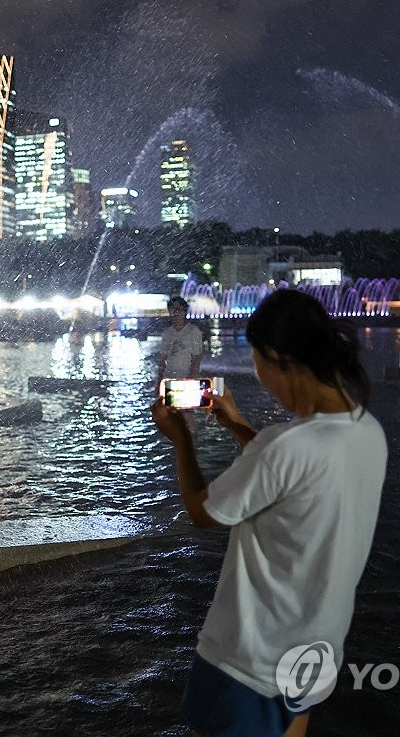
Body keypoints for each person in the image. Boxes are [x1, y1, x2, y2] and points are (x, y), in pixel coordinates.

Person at [151, 289, 387, 737]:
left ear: (277, 357)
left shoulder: (284, 445)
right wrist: (239, 425)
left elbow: (204, 512)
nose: (259, 375)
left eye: (259, 362)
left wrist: (182, 439)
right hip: (312, 658)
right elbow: (293, 477)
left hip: (247, 665)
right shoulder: (366, 430)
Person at [158, 295, 204, 382]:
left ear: (184, 311)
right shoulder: (167, 333)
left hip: (187, 380)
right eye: (172, 310)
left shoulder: (193, 332)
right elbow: (163, 358)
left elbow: (197, 357)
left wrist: (191, 378)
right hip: (168, 380)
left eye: (178, 310)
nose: (175, 313)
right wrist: (159, 381)